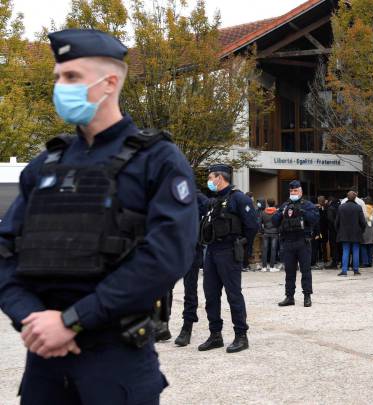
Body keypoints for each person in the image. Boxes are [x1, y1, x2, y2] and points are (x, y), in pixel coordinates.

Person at [0, 29, 198, 403]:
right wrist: (32, 320)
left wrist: (72, 321)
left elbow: (166, 256)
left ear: (109, 83)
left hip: (115, 362)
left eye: (72, 77)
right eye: (58, 78)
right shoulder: (44, 166)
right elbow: (5, 250)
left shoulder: (157, 160)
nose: (60, 86)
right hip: (44, 365)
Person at [198, 164, 254, 353]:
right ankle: (215, 335)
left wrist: (243, 251)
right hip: (212, 251)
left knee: (233, 294)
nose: (209, 180)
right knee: (210, 294)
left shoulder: (238, 198)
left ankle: (241, 335)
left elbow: (252, 226)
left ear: (219, 178)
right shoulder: (215, 200)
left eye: (210, 177)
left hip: (229, 251)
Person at [272, 180, 319, 307]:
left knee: (305, 271)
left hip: (303, 242)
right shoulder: (285, 205)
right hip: (288, 242)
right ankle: (289, 296)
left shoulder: (307, 204)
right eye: (291, 191)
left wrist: (302, 211)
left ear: (301, 191)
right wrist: (281, 212)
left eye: (295, 191)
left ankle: (307, 296)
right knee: (289, 272)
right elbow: (275, 221)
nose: (293, 193)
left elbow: (314, 219)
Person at [173, 191, 209, 347]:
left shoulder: (199, 198)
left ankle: (187, 327)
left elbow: (207, 214)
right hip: (171, 248)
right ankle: (161, 325)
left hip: (191, 249)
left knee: (190, 289)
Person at [335, 191, 366, 276]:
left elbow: (336, 222)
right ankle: (356, 270)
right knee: (356, 251)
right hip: (356, 233)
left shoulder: (341, 207)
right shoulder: (358, 207)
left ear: (347, 197)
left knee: (345, 251)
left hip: (344, 233)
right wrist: (361, 230)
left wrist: (339, 231)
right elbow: (363, 222)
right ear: (355, 198)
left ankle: (344, 271)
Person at [259, 198, 280, 272]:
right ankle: (272, 267)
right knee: (273, 250)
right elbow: (279, 222)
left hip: (265, 232)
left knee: (264, 249)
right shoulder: (277, 212)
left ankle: (264, 267)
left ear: (267, 203)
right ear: (274, 203)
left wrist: (262, 231)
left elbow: (259, 223)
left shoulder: (263, 212)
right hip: (274, 232)